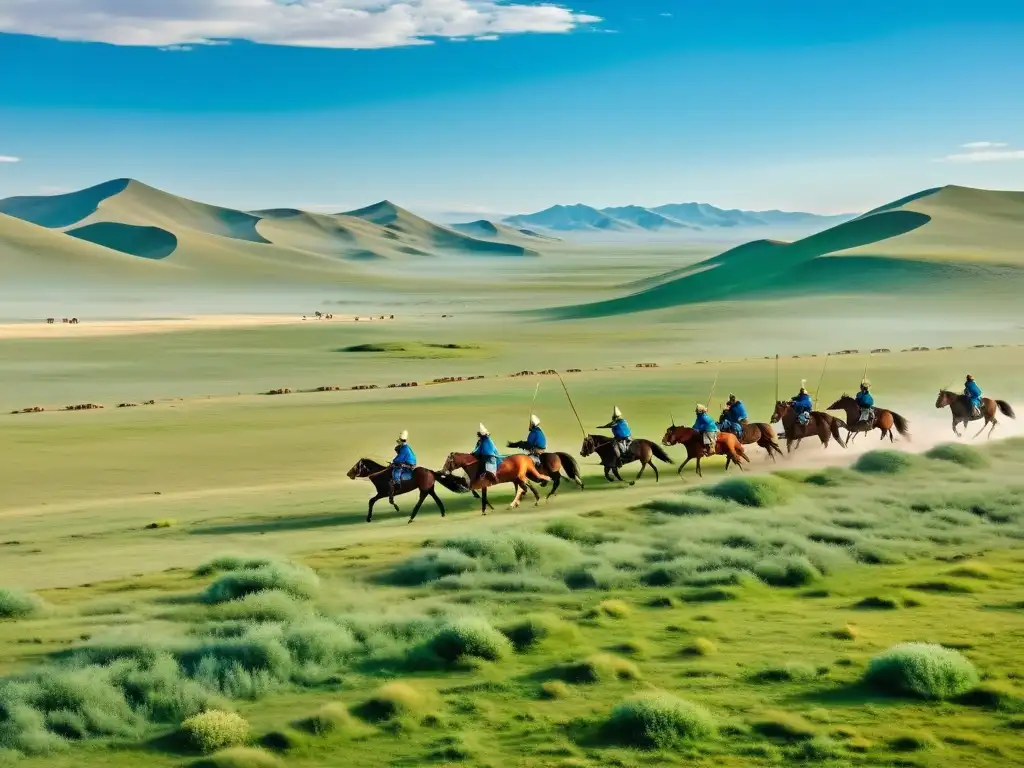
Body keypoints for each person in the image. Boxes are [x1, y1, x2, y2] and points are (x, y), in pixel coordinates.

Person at [390, 430, 417, 504]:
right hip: (407, 462)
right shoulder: (405, 447)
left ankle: (397, 484)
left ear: (401, 441)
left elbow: (399, 458)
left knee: (396, 471)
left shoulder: (404, 449)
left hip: (409, 464)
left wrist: (394, 462)